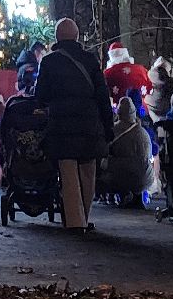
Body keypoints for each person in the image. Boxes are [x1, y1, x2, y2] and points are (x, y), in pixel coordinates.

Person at [35, 18, 115, 233]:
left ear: (57, 37)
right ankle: (85, 216)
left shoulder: (49, 62)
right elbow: (102, 95)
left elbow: (40, 95)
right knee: (88, 172)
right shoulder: (90, 60)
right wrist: (108, 128)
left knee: (68, 172)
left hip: (62, 126)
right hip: (90, 125)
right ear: (77, 37)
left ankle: (75, 222)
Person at [103, 96, 151, 208]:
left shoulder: (113, 130)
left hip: (122, 175)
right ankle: (138, 197)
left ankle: (124, 194)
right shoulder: (143, 132)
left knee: (108, 166)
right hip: (146, 176)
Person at [103, 41, 152, 105]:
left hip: (120, 111)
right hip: (144, 108)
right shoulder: (141, 69)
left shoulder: (106, 74)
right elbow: (150, 87)